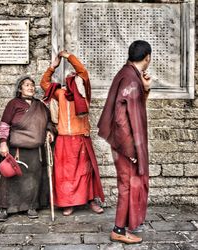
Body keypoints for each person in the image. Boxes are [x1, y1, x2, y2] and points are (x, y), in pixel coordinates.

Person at [97, 40, 152, 244]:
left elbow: (135, 107)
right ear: (147, 58)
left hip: (123, 142)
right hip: (125, 143)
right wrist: (131, 149)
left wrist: (145, 89)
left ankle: (125, 225)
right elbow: (121, 118)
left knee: (127, 183)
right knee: (127, 185)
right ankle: (119, 229)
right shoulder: (130, 78)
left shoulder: (127, 73)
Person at [40, 50, 105, 216]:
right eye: (72, 78)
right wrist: (53, 66)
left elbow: (83, 72)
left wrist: (69, 57)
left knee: (86, 172)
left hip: (81, 139)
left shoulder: (84, 96)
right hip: (63, 140)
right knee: (65, 174)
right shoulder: (59, 94)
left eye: (76, 79)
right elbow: (44, 83)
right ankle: (68, 203)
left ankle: (91, 200)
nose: (75, 81)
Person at [0, 75, 55, 222]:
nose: (31, 87)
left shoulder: (40, 105)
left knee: (33, 179)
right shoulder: (13, 104)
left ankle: (31, 206)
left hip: (35, 150)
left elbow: (49, 123)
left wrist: (49, 131)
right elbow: (4, 124)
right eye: (27, 85)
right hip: (16, 149)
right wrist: (3, 143)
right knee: (9, 178)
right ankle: (4, 208)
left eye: (32, 85)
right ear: (20, 89)